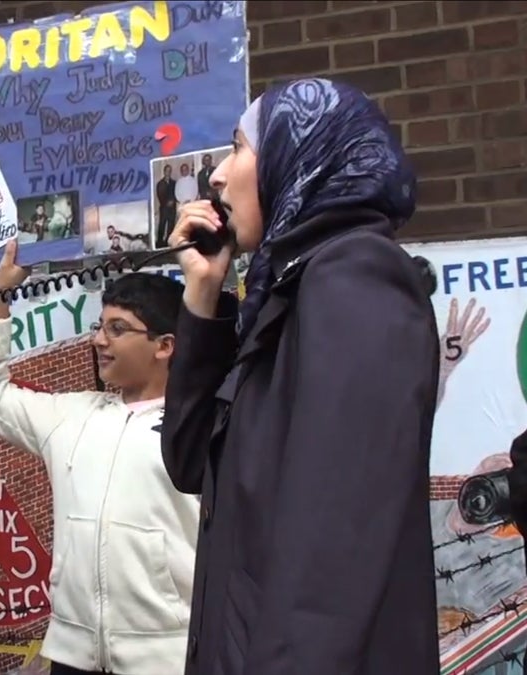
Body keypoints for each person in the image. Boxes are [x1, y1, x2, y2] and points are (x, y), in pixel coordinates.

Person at [161, 77, 438, 675]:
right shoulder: (284, 293)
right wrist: (204, 295)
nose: (216, 175)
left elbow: (333, 556)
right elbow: (190, 462)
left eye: (238, 148)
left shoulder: (355, 277)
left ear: (298, 153)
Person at [0, 240, 199, 675]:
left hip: (168, 660)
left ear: (165, 345)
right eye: (99, 326)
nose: (98, 340)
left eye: (117, 329)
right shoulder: (70, 416)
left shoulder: (203, 426)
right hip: (72, 654)